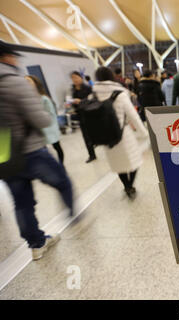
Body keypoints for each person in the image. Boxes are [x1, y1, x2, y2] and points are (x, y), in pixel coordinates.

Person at [0, 41, 73, 260]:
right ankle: (74, 214)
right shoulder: (14, 81)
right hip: (30, 149)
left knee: (21, 202)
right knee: (62, 180)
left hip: (3, 151)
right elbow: (40, 119)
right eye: (14, 56)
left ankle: (36, 244)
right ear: (6, 57)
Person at [92, 67, 147, 199]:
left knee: (118, 164)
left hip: (107, 136)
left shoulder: (93, 95)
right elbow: (133, 116)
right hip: (124, 134)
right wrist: (144, 133)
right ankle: (130, 186)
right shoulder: (120, 94)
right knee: (133, 161)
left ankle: (126, 186)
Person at [26, 75, 64, 164]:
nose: (27, 84)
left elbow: (51, 114)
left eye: (29, 81)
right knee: (44, 151)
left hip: (49, 128)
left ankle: (61, 165)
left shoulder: (44, 98)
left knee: (57, 147)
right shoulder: (28, 99)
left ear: (35, 83)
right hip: (38, 130)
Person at [69, 71, 97, 163]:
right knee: (86, 136)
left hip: (91, 114)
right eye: (73, 78)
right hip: (80, 115)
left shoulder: (88, 88)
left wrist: (81, 101)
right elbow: (73, 101)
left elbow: (93, 100)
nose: (75, 80)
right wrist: (71, 104)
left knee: (96, 133)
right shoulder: (73, 90)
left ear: (81, 77)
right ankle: (91, 155)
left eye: (76, 77)